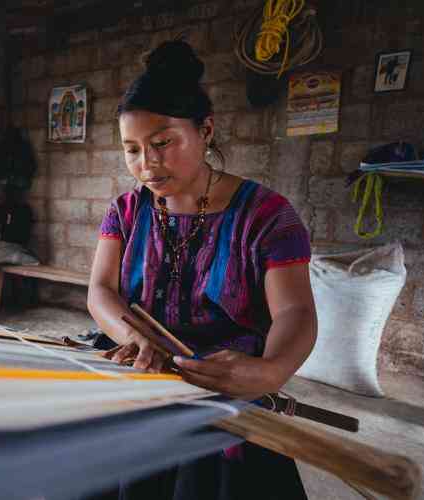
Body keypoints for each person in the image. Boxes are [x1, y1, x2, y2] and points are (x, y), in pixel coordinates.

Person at [86, 38, 318, 499]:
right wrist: (134, 338)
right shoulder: (127, 211)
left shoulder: (267, 215)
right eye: (131, 149)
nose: (146, 165)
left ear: (206, 131)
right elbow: (100, 291)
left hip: (223, 384)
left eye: (162, 143)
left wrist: (269, 372)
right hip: (142, 372)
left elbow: (295, 312)